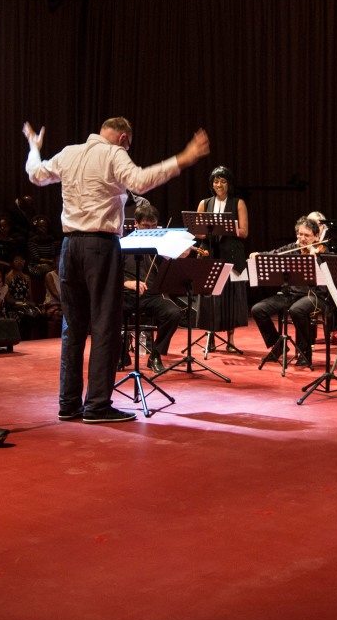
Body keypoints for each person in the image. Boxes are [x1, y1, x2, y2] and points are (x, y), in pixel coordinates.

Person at [24, 116, 209, 423]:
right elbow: (139, 181)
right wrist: (183, 159)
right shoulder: (113, 153)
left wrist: (33, 146)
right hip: (100, 246)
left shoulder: (69, 152)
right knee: (105, 327)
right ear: (124, 138)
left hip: (69, 247)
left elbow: (36, 174)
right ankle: (97, 406)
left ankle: (69, 404)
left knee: (73, 329)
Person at [249, 216, 326, 367]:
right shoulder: (292, 248)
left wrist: (313, 254)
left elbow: (324, 278)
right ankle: (278, 346)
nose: (302, 238)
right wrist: (258, 254)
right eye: (299, 234)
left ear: (316, 236)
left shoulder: (322, 251)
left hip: (315, 295)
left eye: (306, 235)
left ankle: (305, 353)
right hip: (291, 294)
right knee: (258, 309)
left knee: (297, 310)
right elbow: (272, 255)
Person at [123, 200, 184, 373]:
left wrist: (169, 255)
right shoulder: (124, 243)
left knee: (173, 313)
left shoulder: (160, 244)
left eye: (153, 225)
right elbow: (111, 274)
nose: (149, 229)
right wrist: (128, 283)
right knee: (111, 311)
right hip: (127, 294)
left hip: (153, 295)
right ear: (136, 223)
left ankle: (155, 355)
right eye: (145, 225)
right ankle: (121, 353)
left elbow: (180, 260)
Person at [195, 165, 250, 340]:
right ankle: (210, 335)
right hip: (209, 253)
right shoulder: (204, 203)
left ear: (229, 184)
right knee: (209, 296)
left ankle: (230, 338)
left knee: (230, 297)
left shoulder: (238, 203)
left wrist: (225, 227)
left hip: (231, 255)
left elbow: (244, 232)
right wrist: (206, 231)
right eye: (216, 181)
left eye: (223, 181)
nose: (219, 184)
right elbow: (198, 232)